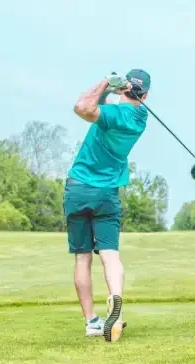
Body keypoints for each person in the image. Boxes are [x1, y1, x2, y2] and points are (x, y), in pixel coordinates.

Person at [65, 69, 151, 342]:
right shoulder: (140, 119)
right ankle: (116, 305)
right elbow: (94, 105)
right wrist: (112, 91)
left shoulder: (113, 115)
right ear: (145, 95)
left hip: (78, 188)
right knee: (110, 254)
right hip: (107, 195)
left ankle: (91, 322)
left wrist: (106, 82)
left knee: (82, 257)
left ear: (125, 89)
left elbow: (82, 106)